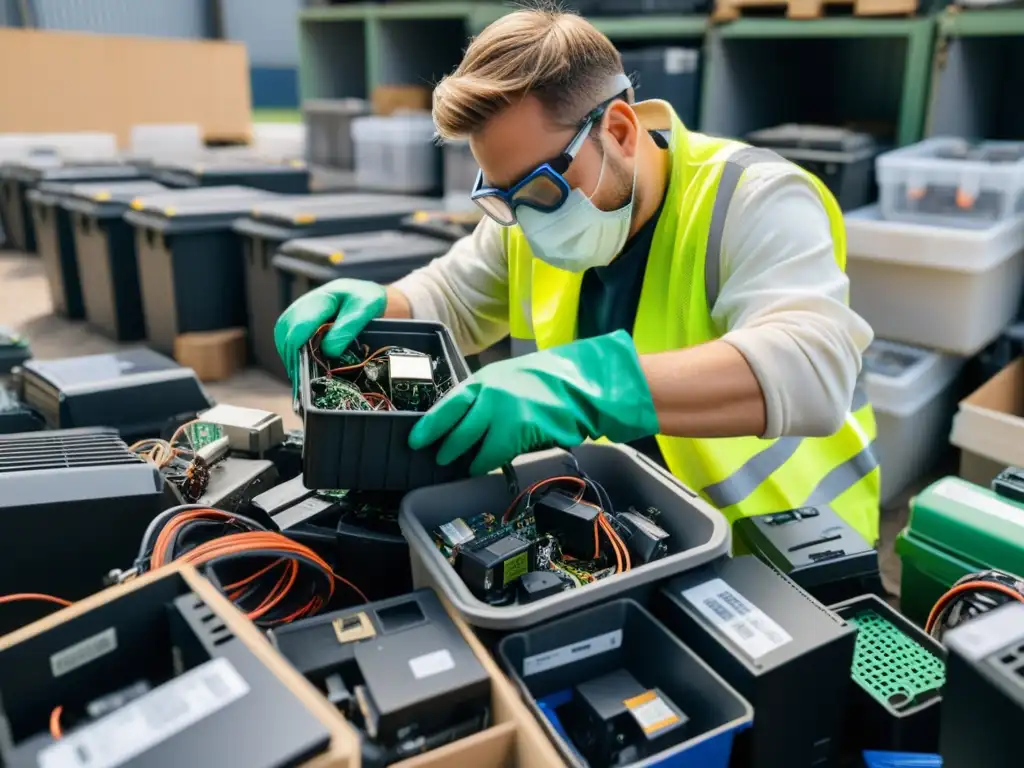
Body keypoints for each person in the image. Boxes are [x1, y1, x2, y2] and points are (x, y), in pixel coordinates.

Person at [275, 7, 881, 543]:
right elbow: (453, 296)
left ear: (618, 130)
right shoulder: (528, 212)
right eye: (501, 195)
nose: (525, 217)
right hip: (625, 531)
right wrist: (378, 306)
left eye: (540, 186)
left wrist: (582, 384)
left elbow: (814, 366)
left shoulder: (754, 196)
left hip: (784, 547)